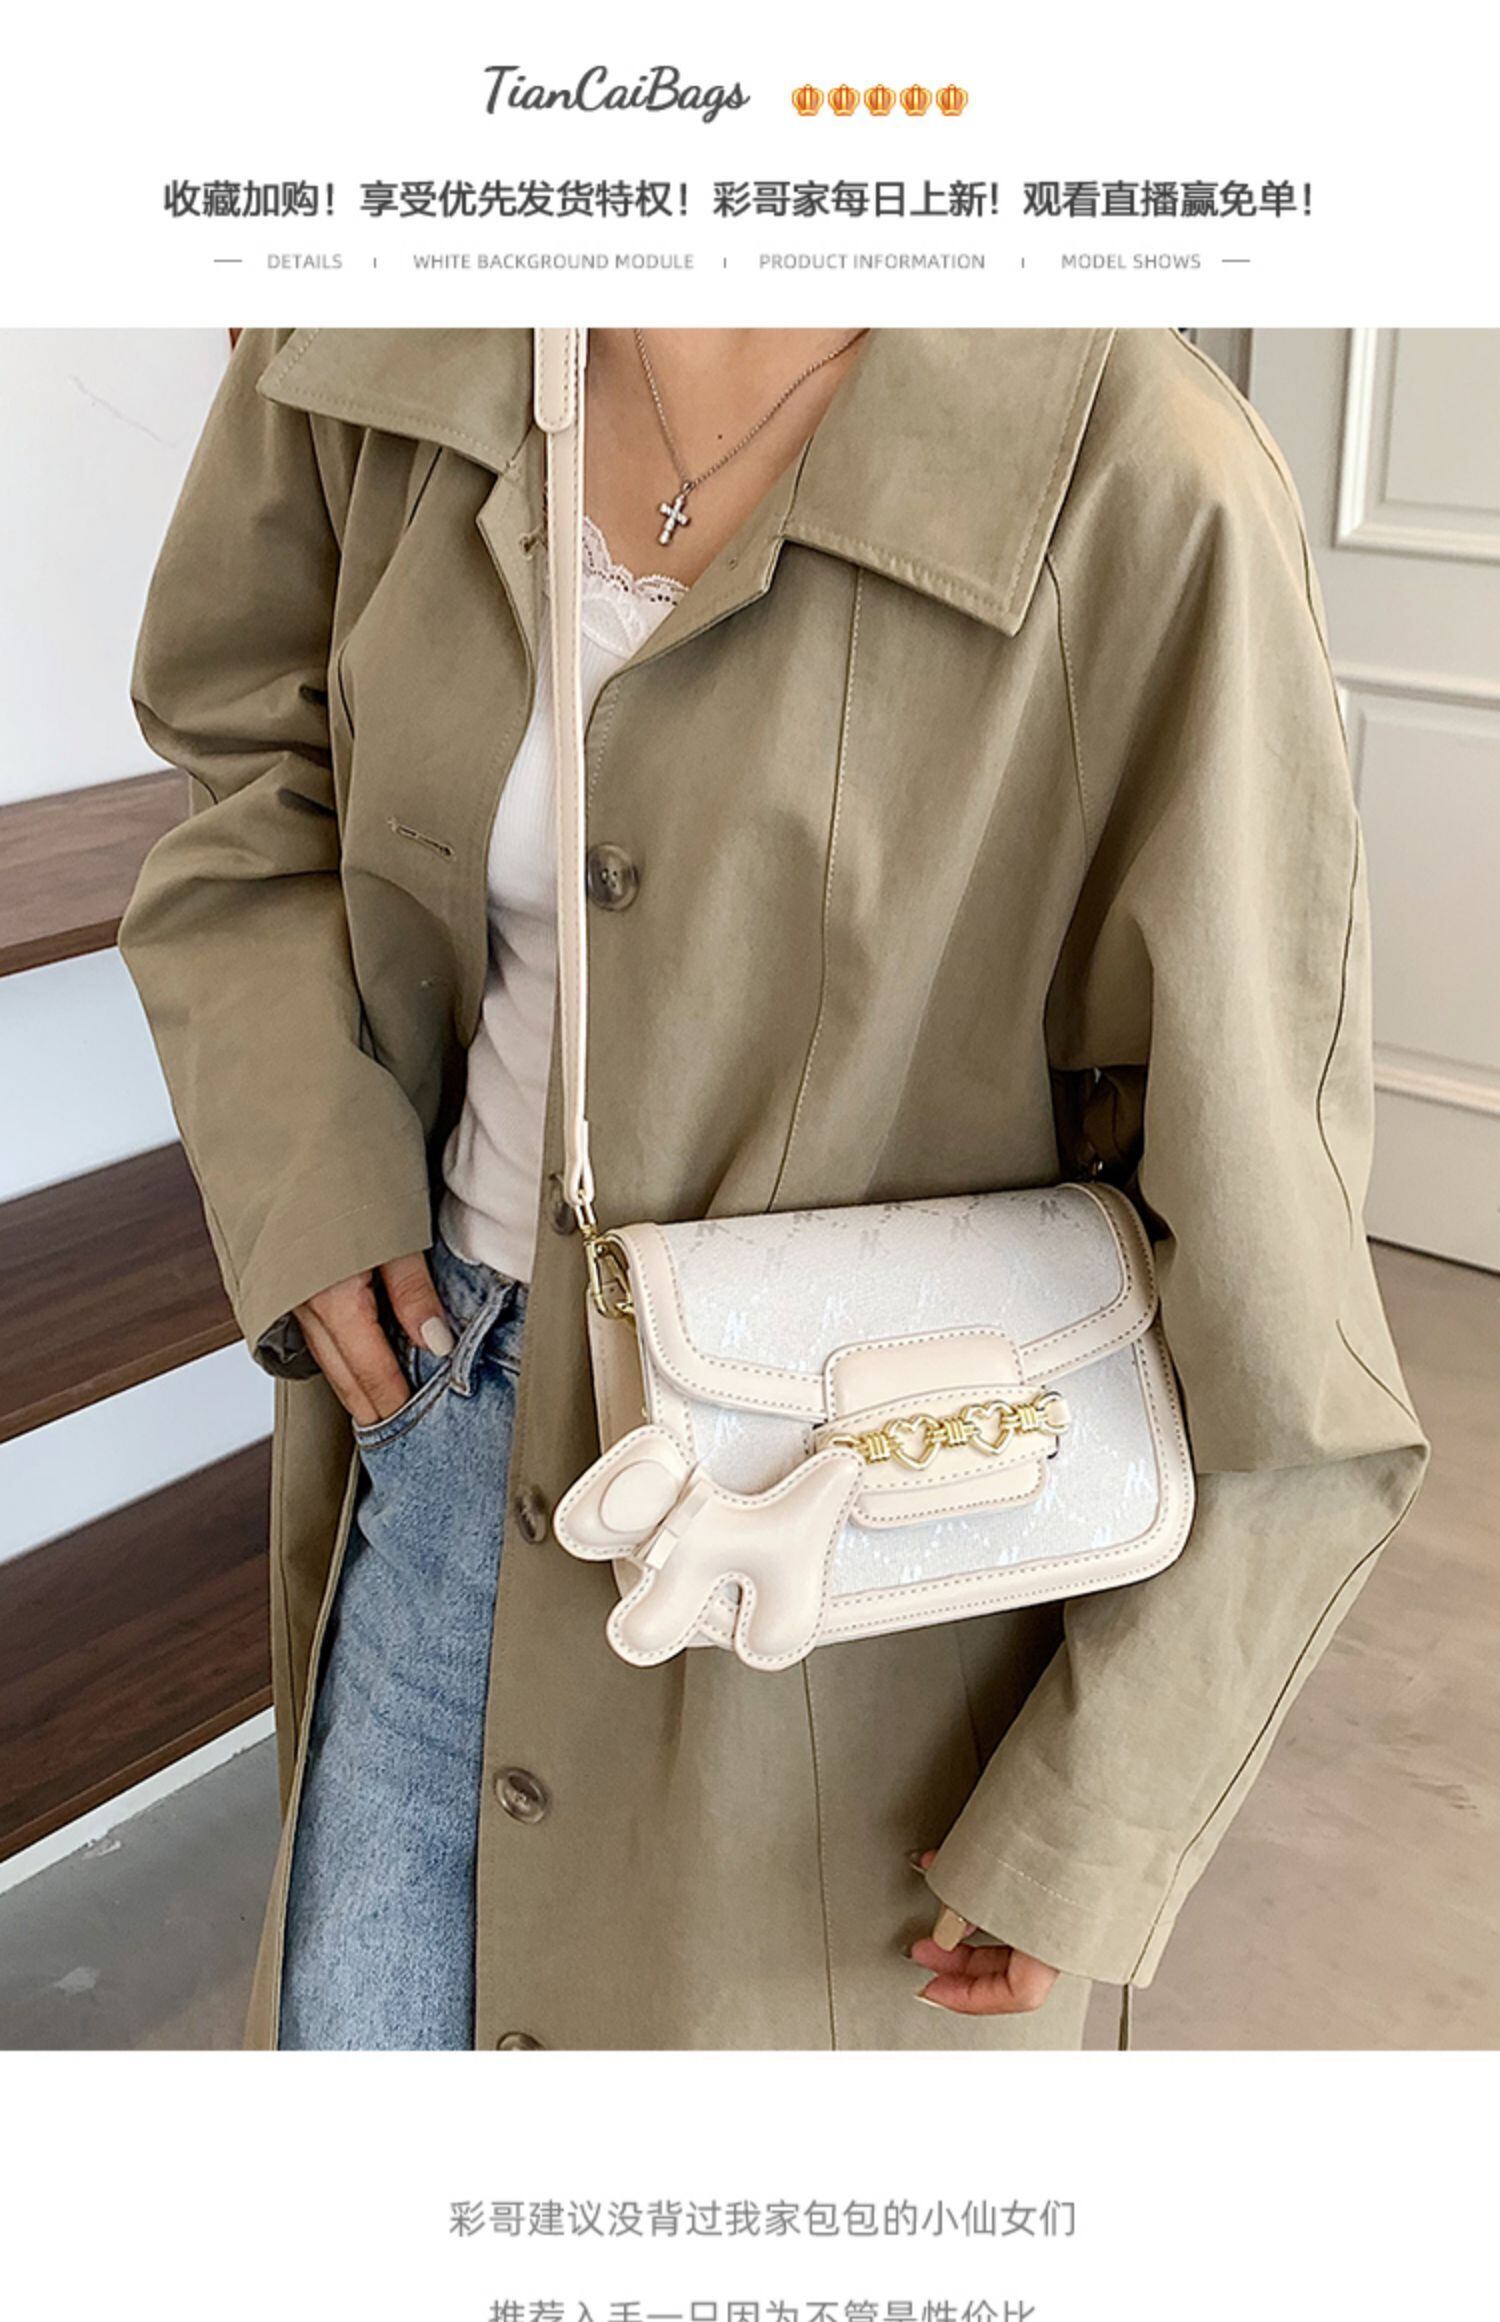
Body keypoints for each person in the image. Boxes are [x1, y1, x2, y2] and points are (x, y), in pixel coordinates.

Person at [119, 327, 1427, 2051]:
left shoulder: (1140, 476)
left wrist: (1100, 1807)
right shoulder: (372, 332)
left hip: (870, 1575)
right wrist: (307, 1157)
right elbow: (249, 768)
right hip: (438, 1449)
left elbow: (1276, 1268)